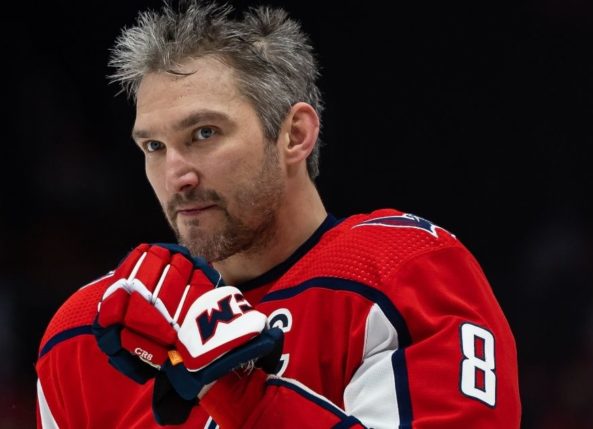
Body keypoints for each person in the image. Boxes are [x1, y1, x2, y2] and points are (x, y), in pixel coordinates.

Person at [34, 1, 521, 428]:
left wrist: (241, 392)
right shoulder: (84, 333)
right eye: (155, 146)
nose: (175, 176)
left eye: (204, 133)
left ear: (294, 135)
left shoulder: (402, 275)